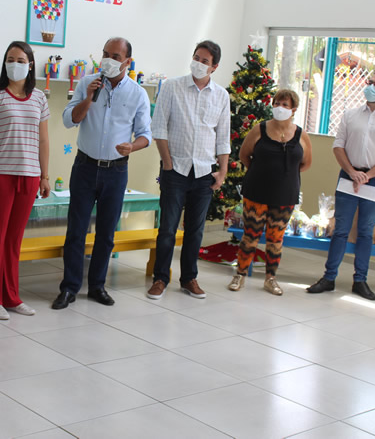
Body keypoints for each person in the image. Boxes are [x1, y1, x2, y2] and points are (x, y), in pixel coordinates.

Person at [52, 37, 152, 310]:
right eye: (105, 54)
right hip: (85, 167)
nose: (108, 60)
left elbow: (145, 135)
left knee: (106, 233)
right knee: (76, 231)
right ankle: (69, 288)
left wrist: (132, 146)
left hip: (116, 171)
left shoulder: (138, 94)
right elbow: (69, 120)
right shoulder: (87, 83)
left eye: (115, 56)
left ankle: (97, 286)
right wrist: (88, 99)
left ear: (127, 62)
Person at [0, 41, 50, 320]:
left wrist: (44, 175)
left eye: (21, 60)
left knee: (14, 240)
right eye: (10, 59)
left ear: (30, 65)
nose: (15, 64)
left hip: (28, 176)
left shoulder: (39, 97)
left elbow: (43, 140)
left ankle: (11, 296)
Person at [307, 69, 375, 300]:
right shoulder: (350, 115)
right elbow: (338, 146)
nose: (371, 87)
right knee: (340, 229)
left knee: (366, 232)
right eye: (370, 82)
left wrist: (367, 176)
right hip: (348, 175)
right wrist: (352, 172)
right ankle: (329, 277)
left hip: (374, 179)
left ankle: (360, 280)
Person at [147, 40, 231, 300]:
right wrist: (167, 162)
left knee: (195, 231)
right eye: (196, 58)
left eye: (205, 61)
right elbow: (159, 127)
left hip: (204, 172)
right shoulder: (172, 87)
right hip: (175, 169)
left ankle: (189, 279)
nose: (198, 63)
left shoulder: (221, 95)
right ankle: (160, 278)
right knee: (168, 229)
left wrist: (222, 172)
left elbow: (223, 137)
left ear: (214, 67)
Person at [228, 89, 312, 295]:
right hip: (256, 191)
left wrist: (285, 175)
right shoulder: (260, 129)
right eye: (277, 103)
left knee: (276, 239)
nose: (280, 108)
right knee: (251, 235)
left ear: (293, 109)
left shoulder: (301, 135)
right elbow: (244, 155)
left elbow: (306, 163)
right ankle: (240, 274)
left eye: (285, 105)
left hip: (285, 194)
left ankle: (270, 279)